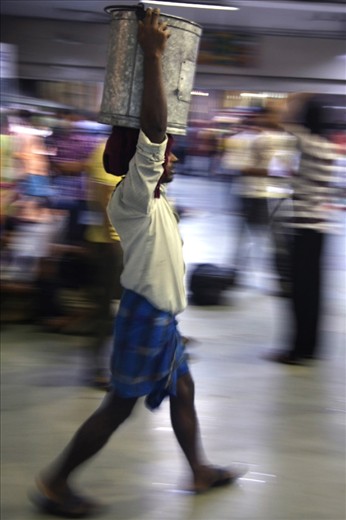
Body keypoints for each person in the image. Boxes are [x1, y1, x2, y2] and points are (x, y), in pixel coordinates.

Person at [29, 9, 245, 518]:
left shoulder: (157, 198)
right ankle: (55, 483)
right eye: (164, 154)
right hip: (145, 314)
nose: (172, 157)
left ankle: (198, 469)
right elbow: (151, 130)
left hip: (163, 318)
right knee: (119, 405)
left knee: (184, 389)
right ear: (141, 162)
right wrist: (151, 55)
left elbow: (155, 140)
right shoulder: (132, 196)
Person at [267, 94, 344, 365]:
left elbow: (281, 120)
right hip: (321, 228)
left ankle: (297, 351)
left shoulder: (308, 143)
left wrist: (292, 100)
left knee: (300, 292)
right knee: (313, 292)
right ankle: (309, 348)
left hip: (304, 227)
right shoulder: (328, 148)